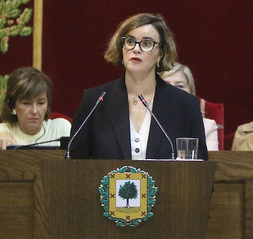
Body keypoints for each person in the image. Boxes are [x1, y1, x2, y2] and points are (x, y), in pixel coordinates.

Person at [69, 13, 208, 160]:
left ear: (161, 53)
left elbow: (199, 167)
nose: (136, 49)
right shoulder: (95, 101)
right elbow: (75, 163)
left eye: (146, 43)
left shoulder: (185, 105)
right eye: (130, 41)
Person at [0, 67, 71, 149]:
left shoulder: (61, 128)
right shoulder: (0, 131)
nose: (35, 111)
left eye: (41, 103)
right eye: (26, 103)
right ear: (12, 105)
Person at [161, 63, 220, 151]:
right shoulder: (145, 124)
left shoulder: (207, 126)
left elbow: (210, 163)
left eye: (180, 86)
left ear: (191, 93)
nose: (173, 92)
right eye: (166, 85)